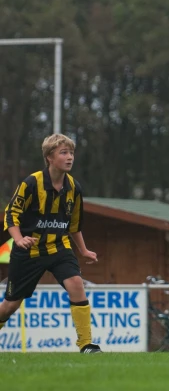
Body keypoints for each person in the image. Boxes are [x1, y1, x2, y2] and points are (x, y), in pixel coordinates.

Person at [1, 134, 102, 353]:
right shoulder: (30, 183)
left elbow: (74, 224)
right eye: (63, 153)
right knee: (10, 306)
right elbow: (11, 214)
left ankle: (86, 344)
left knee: (76, 283)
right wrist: (18, 239)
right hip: (28, 251)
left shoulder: (74, 187)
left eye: (71, 153)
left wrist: (83, 250)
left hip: (59, 247)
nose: (69, 158)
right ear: (49, 157)